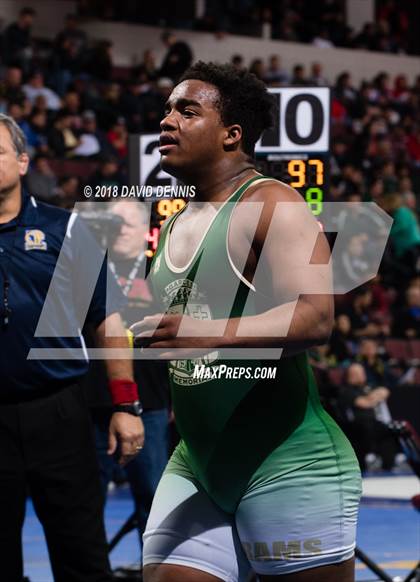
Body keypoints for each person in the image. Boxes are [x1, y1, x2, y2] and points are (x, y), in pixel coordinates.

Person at [132, 62, 361, 582]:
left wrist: (203, 334)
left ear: (233, 134)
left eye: (187, 111)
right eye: (167, 108)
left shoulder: (275, 202)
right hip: (199, 459)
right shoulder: (174, 221)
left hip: (287, 459)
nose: (166, 120)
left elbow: (316, 316)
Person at [0, 113, 144, 581]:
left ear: (22, 162)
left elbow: (107, 318)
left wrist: (125, 404)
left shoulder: (66, 229)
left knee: (81, 553)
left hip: (58, 411)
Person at [87, 199, 170, 574]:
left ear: (144, 230)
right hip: (91, 402)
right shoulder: (85, 271)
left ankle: (152, 569)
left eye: (128, 223)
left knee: (152, 494)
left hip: (149, 403)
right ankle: (91, 570)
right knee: (85, 497)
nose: (121, 229)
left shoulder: (164, 274)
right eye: (114, 223)